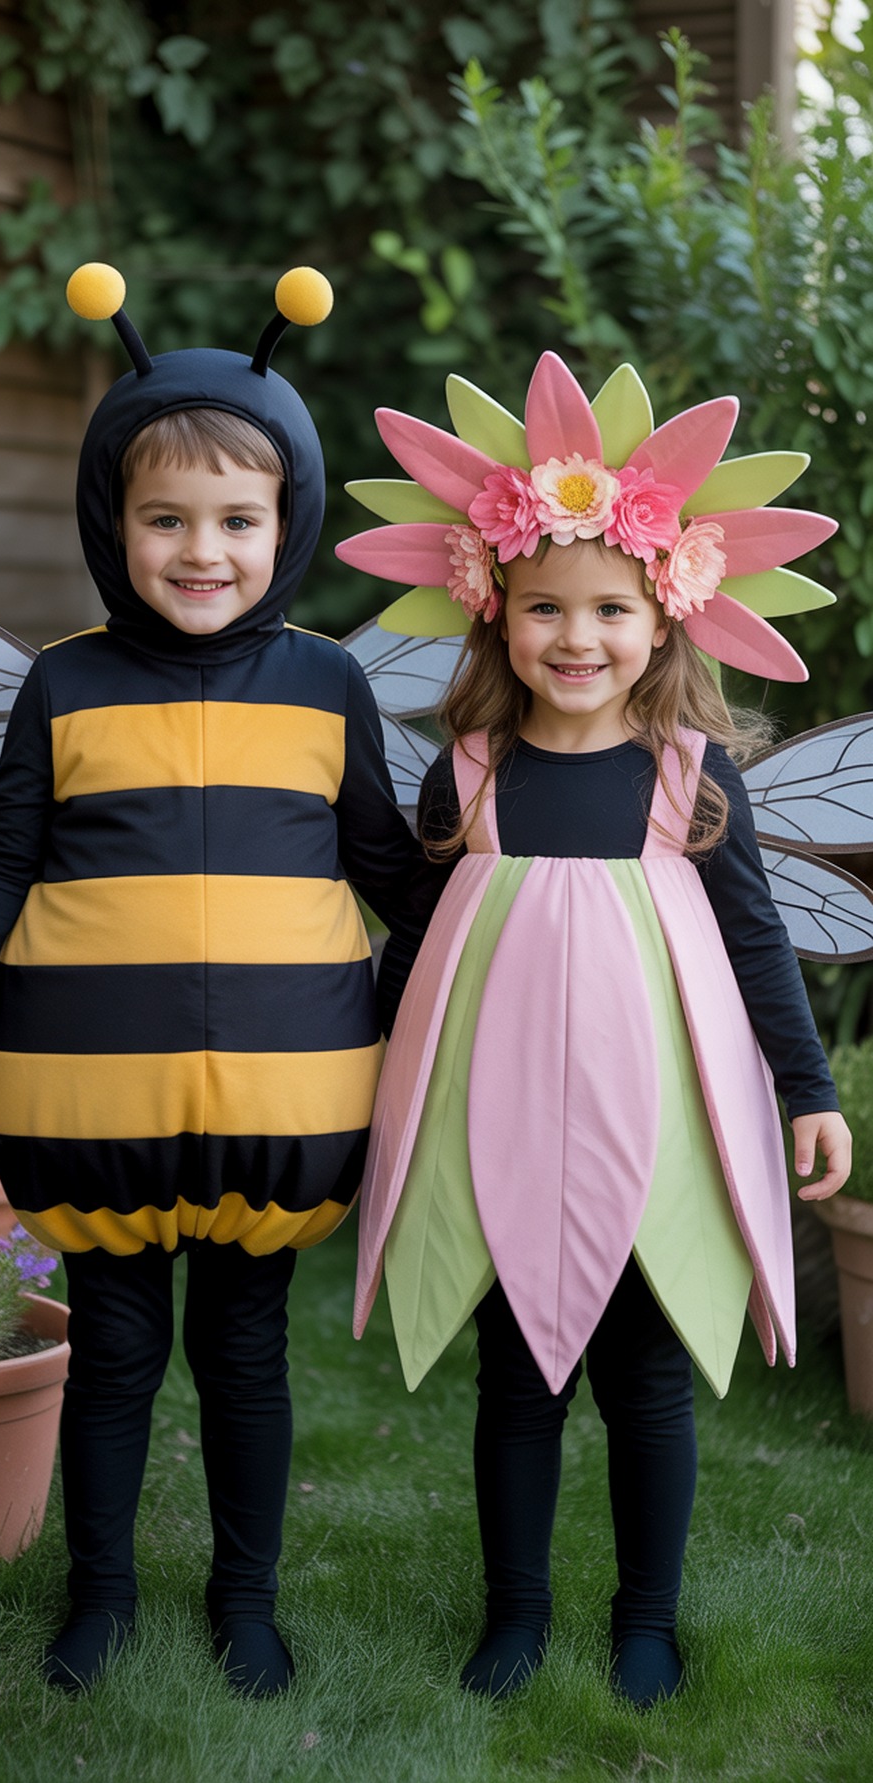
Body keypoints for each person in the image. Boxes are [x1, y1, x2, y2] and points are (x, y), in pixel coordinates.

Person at [0, 265, 420, 1697]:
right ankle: (103, 1596)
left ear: (288, 524)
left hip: (279, 1107)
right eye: (167, 519)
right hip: (95, 1107)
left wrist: (512, 935)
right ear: (109, 522)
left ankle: (246, 1602)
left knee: (246, 1356)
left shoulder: (327, 685)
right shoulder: (64, 684)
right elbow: (1, 857)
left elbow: (387, 864)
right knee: (117, 1353)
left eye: (238, 521)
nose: (203, 551)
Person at [336, 351, 852, 1708]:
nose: (578, 638)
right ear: (495, 616)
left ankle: (646, 1623)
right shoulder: (470, 775)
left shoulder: (690, 778)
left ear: (665, 617)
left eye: (611, 609)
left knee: (645, 1383)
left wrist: (809, 1090)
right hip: (503, 1127)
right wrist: (359, 1087)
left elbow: (753, 945)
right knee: (517, 1382)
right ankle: (515, 1617)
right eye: (546, 608)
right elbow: (419, 951)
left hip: (656, 1126)